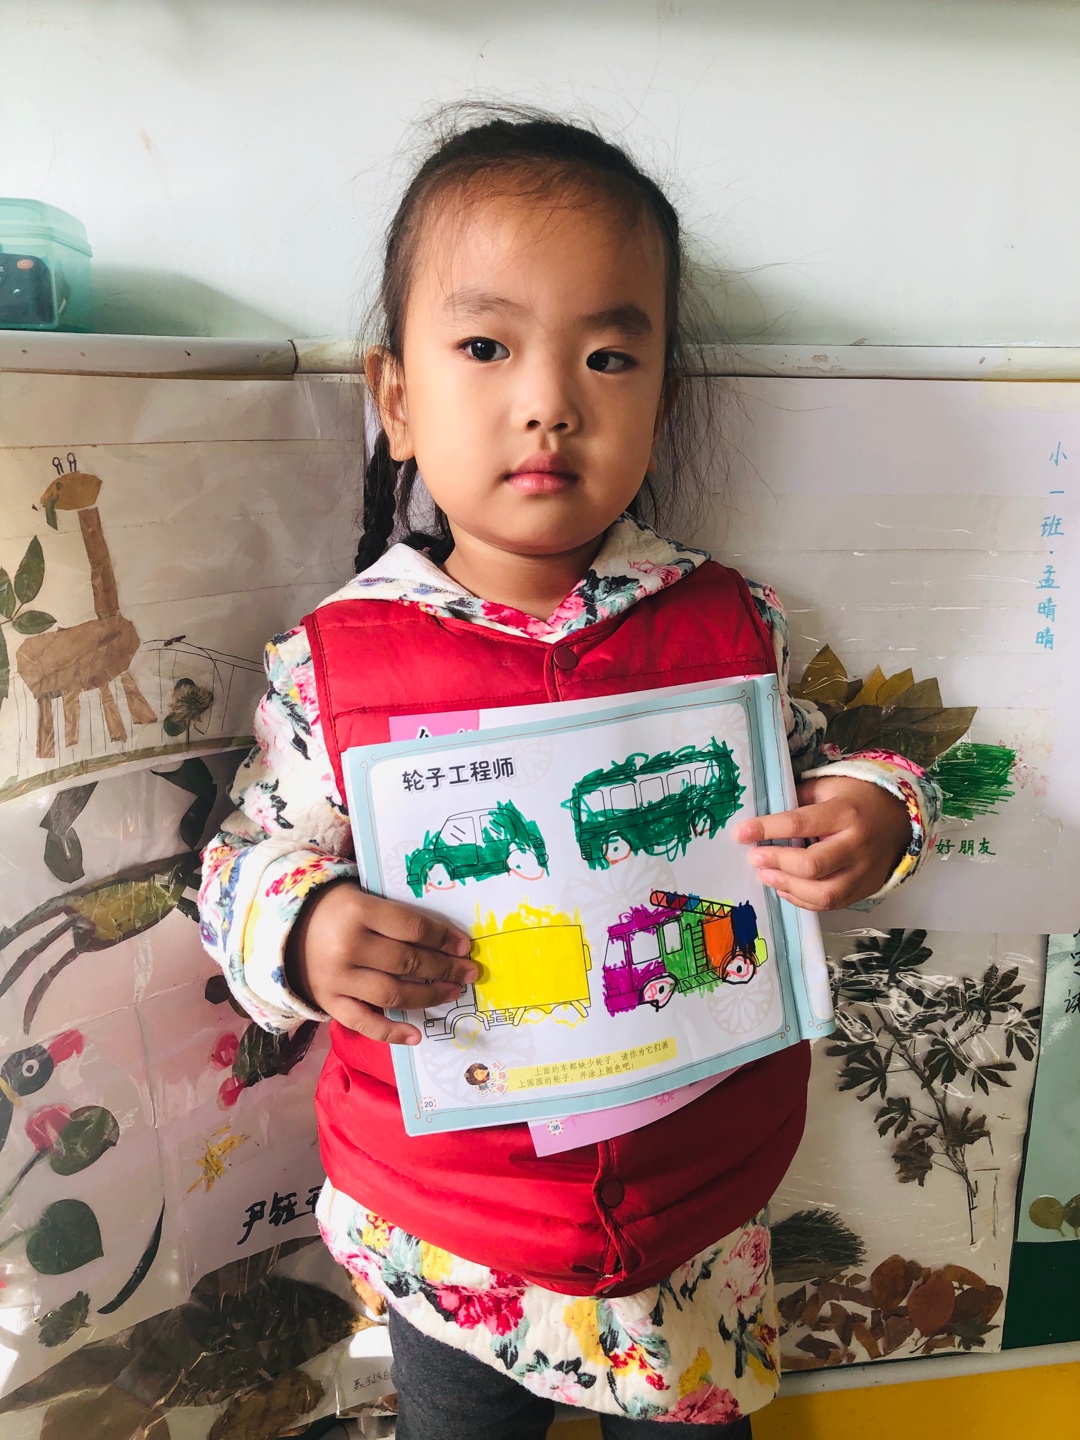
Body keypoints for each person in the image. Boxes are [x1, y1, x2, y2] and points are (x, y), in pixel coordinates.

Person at [198, 106, 939, 1439]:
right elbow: (241, 860)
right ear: (398, 398)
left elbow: (830, 775)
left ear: (660, 400)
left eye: (608, 355)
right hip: (452, 1236)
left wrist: (873, 814)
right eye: (487, 347)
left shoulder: (732, 627)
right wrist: (302, 926)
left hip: (697, 1214)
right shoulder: (335, 663)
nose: (548, 401)